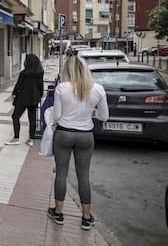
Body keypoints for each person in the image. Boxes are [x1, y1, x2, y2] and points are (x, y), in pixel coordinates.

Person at [47, 55, 109, 230]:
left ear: (68, 70)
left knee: (61, 173)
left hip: (64, 134)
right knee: (83, 176)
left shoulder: (62, 89)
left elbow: (57, 116)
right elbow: (104, 117)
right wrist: (90, 113)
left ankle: (58, 213)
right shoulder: (97, 89)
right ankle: (86, 217)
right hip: (85, 136)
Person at [7, 54, 44, 146]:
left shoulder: (24, 73)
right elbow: (41, 85)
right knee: (32, 118)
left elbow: (19, 85)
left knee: (15, 116)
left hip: (23, 98)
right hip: (34, 98)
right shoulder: (39, 73)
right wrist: (40, 95)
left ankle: (16, 138)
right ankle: (31, 139)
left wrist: (14, 93)